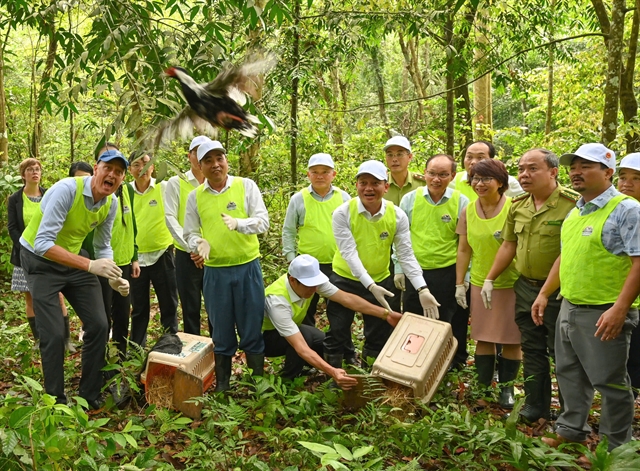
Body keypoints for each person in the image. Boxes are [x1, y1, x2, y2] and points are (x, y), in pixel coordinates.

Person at [533, 144, 640, 450]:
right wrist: (544, 293)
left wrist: (620, 308)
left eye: (586, 166)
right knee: (569, 373)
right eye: (573, 167)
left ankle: (614, 448)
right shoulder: (576, 210)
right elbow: (565, 256)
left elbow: (638, 262)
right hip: (570, 306)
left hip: (603, 310)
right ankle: (571, 430)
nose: (576, 172)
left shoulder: (627, 209)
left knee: (610, 382)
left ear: (608, 172)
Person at [19, 151, 130, 408]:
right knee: (54, 334)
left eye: (118, 172)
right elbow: (43, 243)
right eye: (107, 168)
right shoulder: (66, 190)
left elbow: (102, 245)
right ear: (96, 169)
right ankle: (56, 401)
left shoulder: (111, 203)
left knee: (99, 325)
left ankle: (89, 395)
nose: (112, 175)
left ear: (122, 179)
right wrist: (90, 265)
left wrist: (112, 276)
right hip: (39, 260)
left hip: (73, 259)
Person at [484, 149, 578, 421]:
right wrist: (490, 278)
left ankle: (570, 415)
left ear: (553, 172)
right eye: (521, 169)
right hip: (525, 287)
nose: (524, 175)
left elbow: (568, 252)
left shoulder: (573, 205)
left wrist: (547, 292)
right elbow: (509, 245)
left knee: (563, 352)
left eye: (532, 168)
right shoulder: (518, 206)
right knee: (532, 349)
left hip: (560, 291)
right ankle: (535, 406)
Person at [324, 160, 440, 367]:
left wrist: (422, 289)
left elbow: (405, 254)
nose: (369, 188)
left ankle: (371, 375)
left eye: (375, 183)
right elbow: (349, 253)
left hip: (381, 279)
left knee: (379, 332)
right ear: (356, 186)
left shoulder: (397, 215)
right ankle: (335, 375)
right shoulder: (343, 213)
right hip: (345, 279)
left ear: (385, 187)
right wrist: (369, 285)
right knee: (338, 329)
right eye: (363, 183)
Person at [184, 140, 269, 391]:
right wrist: (198, 243)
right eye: (208, 161)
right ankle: (223, 385)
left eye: (219, 158)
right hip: (215, 273)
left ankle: (256, 384)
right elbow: (189, 232)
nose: (215, 165)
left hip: (247, 268)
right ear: (200, 166)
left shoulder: (246, 186)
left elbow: (263, 221)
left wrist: (239, 224)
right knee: (220, 329)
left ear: (226, 161)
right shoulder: (195, 196)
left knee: (251, 326)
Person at [264, 254, 402, 387]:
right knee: (304, 339)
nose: (314, 289)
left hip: (288, 329)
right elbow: (301, 348)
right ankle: (287, 380)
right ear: (292, 280)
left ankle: (308, 367)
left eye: (315, 284)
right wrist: (332, 372)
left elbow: (347, 299)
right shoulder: (277, 302)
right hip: (265, 339)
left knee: (321, 342)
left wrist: (386, 314)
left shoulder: (311, 283)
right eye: (309, 285)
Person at [454, 158, 521, 408]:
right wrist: (460, 283)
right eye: (475, 178)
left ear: (500, 182)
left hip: (510, 282)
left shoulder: (513, 208)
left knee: (511, 337)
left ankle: (507, 389)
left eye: (486, 179)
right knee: (483, 336)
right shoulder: (468, 210)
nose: (479, 184)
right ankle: (483, 386)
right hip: (480, 282)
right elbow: (464, 249)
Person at [397, 154, 469, 364]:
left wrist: (464, 278)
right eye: (432, 173)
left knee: (449, 318)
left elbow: (465, 244)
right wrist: (399, 267)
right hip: (415, 270)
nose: (436, 179)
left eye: (443, 175)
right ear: (425, 173)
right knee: (413, 318)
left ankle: (451, 362)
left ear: (452, 176)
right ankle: (412, 362)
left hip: (448, 270)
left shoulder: (461, 201)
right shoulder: (410, 199)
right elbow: (400, 238)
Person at [8, 159, 74, 352]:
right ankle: (39, 339)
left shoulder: (50, 194)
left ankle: (66, 339)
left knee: (59, 295)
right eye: (30, 170)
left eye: (37, 169)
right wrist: (25, 248)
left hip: (50, 253)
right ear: (23, 175)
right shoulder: (15, 199)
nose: (35, 172)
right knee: (31, 298)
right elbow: (12, 227)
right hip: (25, 255)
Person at [281, 153, 351, 330]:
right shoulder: (298, 199)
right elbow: (288, 230)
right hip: (306, 266)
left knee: (339, 310)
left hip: (338, 265)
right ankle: (308, 342)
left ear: (333, 174)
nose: (320, 176)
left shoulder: (344, 198)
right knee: (305, 310)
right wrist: (291, 258)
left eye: (325, 172)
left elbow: (354, 230)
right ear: (308, 174)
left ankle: (340, 345)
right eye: (315, 172)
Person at [129, 152, 179, 347]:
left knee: (168, 302)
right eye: (136, 164)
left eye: (145, 163)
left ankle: (170, 342)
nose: (141, 168)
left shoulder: (164, 187)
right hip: (136, 258)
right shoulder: (125, 191)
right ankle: (137, 348)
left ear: (152, 167)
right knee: (139, 307)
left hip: (162, 253)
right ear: (129, 169)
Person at [164, 136, 209, 336]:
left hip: (213, 255)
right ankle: (194, 347)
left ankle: (218, 348)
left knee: (216, 306)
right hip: (186, 254)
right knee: (191, 308)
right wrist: (193, 247)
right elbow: (170, 217)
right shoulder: (176, 182)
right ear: (189, 155)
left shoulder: (217, 183)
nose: (200, 156)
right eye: (196, 151)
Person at [617, 153, 640, 397]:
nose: (627, 183)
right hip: (625, 300)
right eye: (623, 177)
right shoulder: (615, 212)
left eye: (636, 178)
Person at [449, 140, 523, 201]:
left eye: (480, 157)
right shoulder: (452, 180)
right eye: (469, 157)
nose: (473, 162)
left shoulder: (508, 182)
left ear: (491, 160)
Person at [382, 135, 426, 206]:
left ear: (410, 157)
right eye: (390, 155)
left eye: (399, 154)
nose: (394, 159)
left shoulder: (423, 184)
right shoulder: (380, 184)